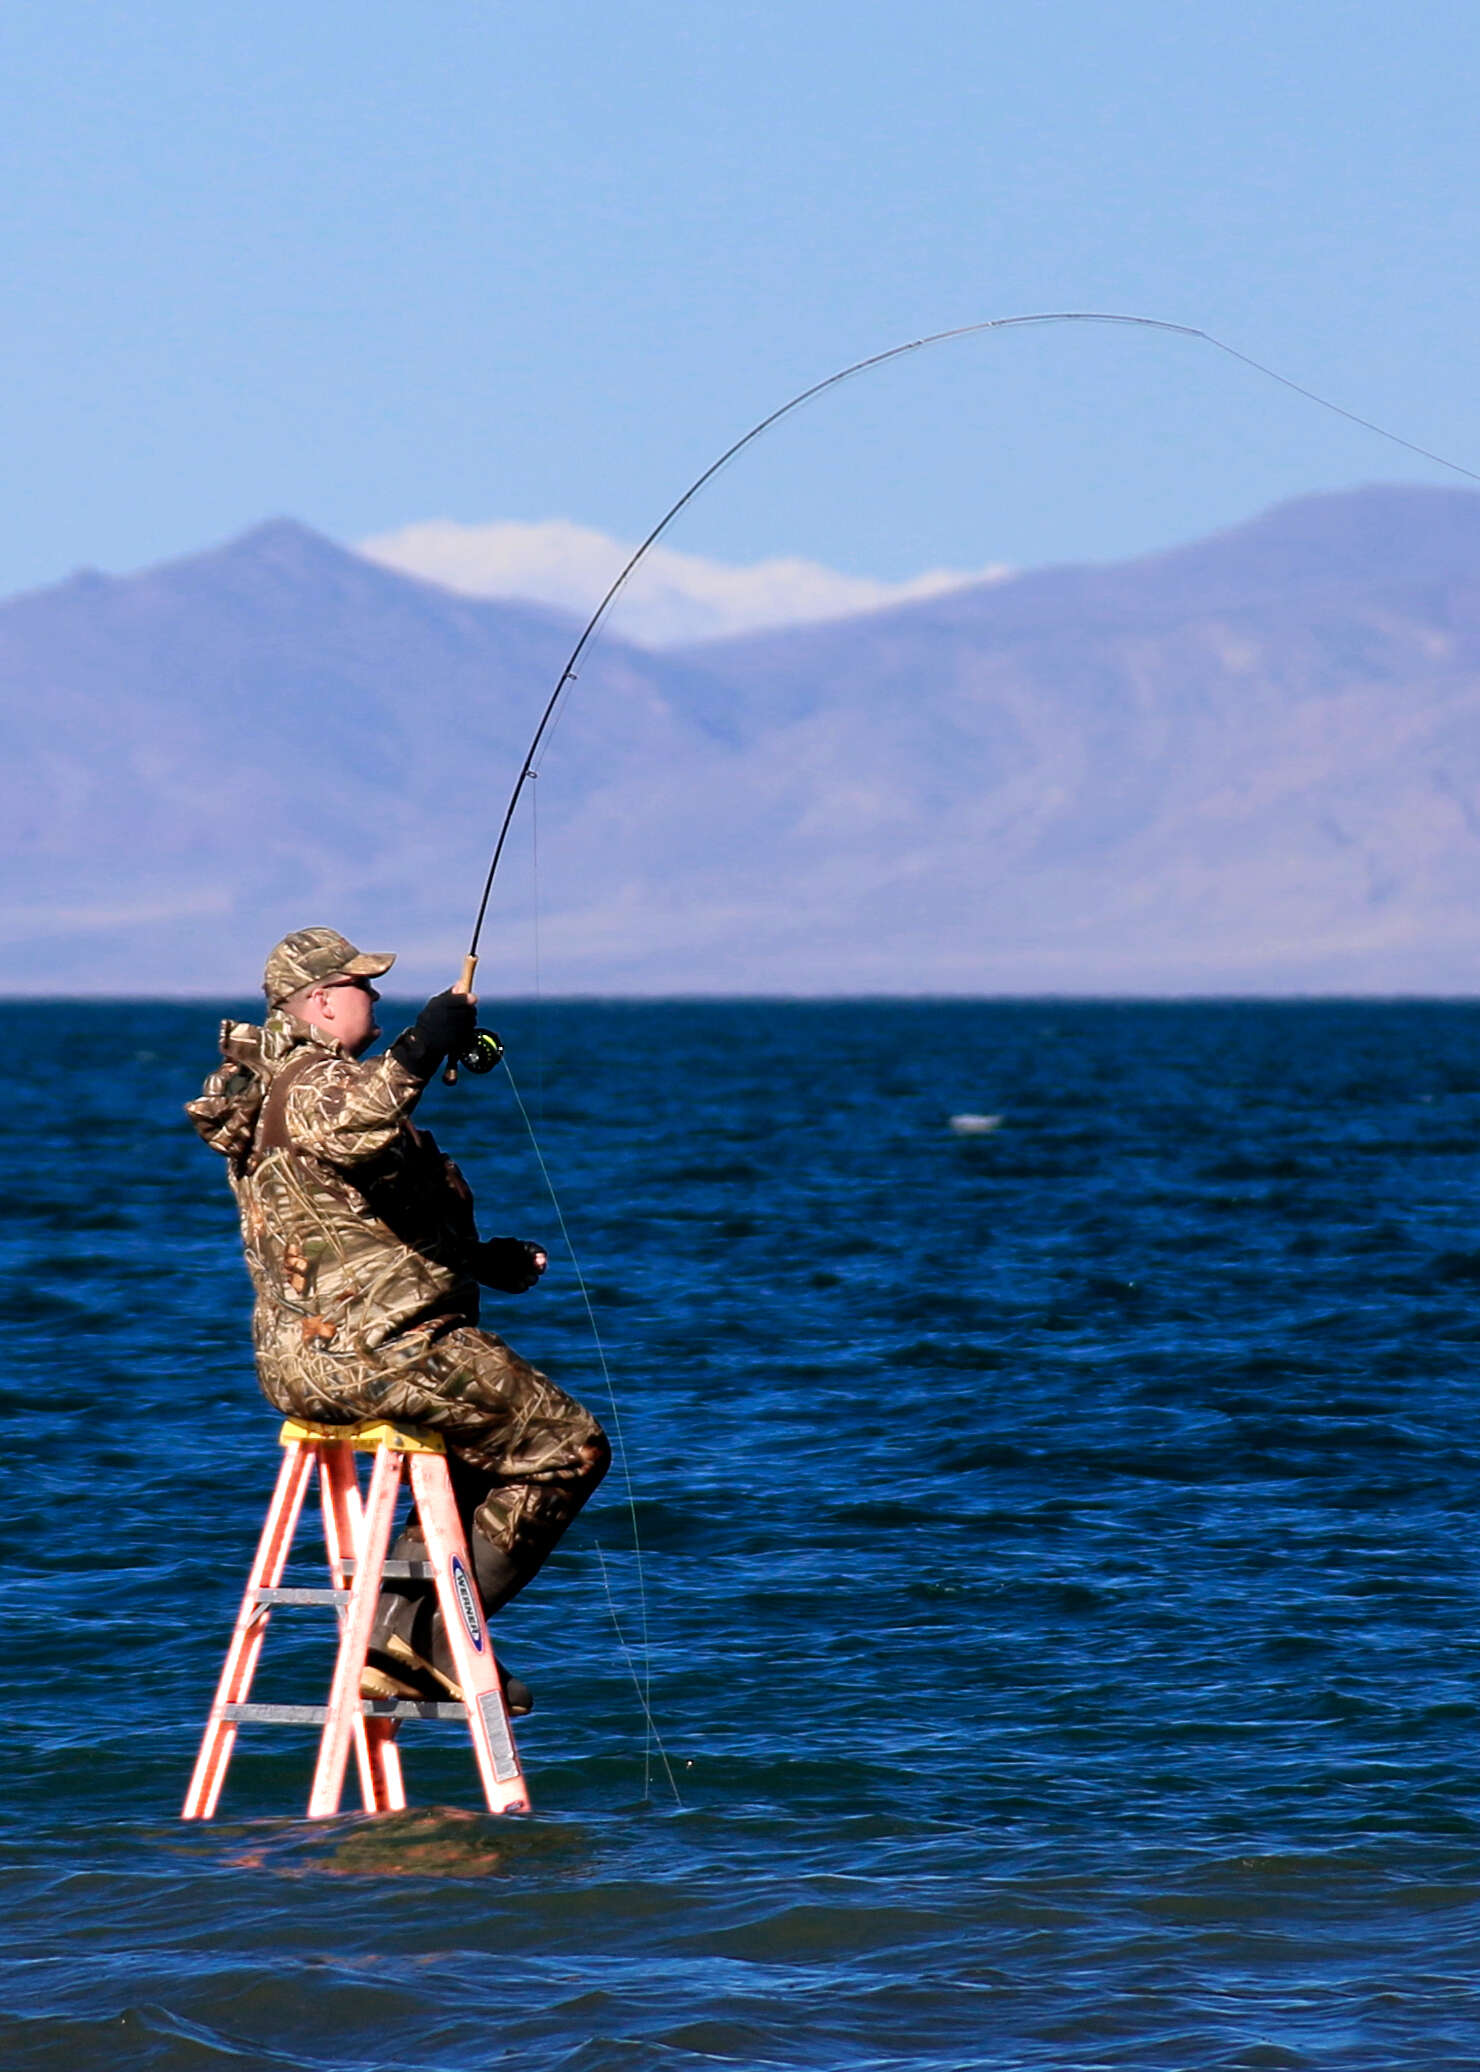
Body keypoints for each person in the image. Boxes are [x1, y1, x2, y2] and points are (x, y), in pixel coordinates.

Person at [187, 925, 610, 1712]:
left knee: (485, 1450)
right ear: (318, 1003)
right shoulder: (310, 1082)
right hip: (377, 1352)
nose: (373, 997)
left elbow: (351, 1228)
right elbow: (363, 1116)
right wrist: (424, 1041)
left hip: (319, 1355)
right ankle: (435, 1634)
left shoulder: (286, 1091)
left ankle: (402, 1637)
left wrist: (482, 1260)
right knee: (569, 1445)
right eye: (360, 986)